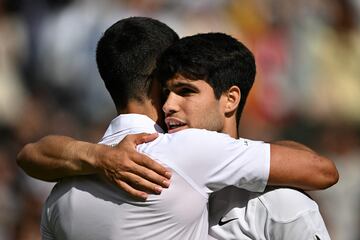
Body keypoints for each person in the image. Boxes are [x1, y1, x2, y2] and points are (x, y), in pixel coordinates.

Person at [17, 18, 337, 239]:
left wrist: (96, 156)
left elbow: (29, 154)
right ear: (155, 82)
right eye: (169, 89)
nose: (170, 104)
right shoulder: (186, 152)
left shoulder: (60, 193)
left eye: (185, 91)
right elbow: (321, 171)